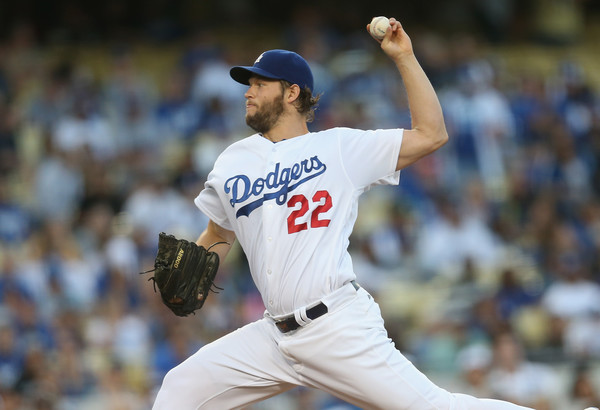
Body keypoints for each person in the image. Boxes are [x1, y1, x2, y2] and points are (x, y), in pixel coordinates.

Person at [152, 17, 534, 409]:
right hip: (274, 337)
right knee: (180, 389)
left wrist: (405, 58)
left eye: (259, 84)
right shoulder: (233, 160)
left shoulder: (338, 148)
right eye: (248, 84)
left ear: (291, 92)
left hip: (334, 327)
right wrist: (191, 268)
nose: (248, 92)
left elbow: (431, 134)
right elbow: (218, 234)